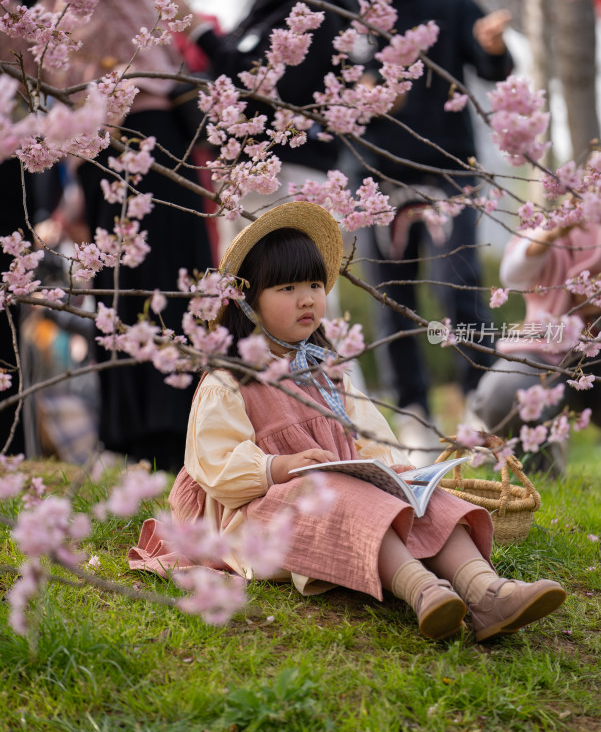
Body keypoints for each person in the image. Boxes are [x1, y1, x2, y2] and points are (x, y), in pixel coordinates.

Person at [130, 201, 566, 642]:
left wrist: (395, 472)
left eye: (315, 285)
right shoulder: (229, 381)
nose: (307, 298)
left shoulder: (329, 373)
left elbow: (368, 435)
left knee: (418, 498)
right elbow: (215, 464)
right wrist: (279, 467)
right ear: (247, 303)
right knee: (340, 496)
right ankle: (423, 590)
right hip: (263, 518)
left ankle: (485, 591)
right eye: (287, 288)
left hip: (338, 495)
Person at [11, 0, 215, 470]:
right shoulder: (50, 9)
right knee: (119, 303)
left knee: (164, 291)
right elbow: (24, 63)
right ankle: (136, 443)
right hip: (99, 165)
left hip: (148, 142)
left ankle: (185, 435)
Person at [327, 0, 514, 457]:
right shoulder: (340, 10)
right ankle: (414, 420)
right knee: (392, 301)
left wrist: (494, 45)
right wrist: (360, 94)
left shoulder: (445, 1)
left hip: (447, 173)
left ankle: (481, 406)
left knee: (460, 288)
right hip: (371, 178)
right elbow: (318, 86)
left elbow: (491, 64)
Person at [190, 0, 352, 253]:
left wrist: (202, 34)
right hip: (241, 176)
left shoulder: (314, 11)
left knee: (292, 289)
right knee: (238, 294)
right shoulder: (263, 10)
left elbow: (269, 89)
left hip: (287, 175)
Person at [471, 223, 601, 477]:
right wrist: (549, 236)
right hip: (544, 348)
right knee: (502, 395)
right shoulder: (557, 223)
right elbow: (512, 274)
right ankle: (539, 467)